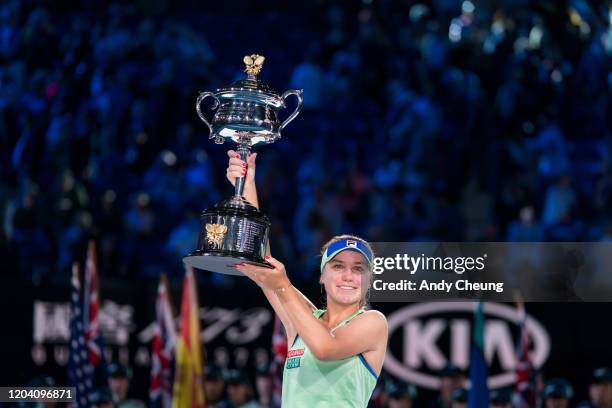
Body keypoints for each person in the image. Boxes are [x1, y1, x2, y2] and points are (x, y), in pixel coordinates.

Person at [226, 150, 388, 407]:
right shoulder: (302, 319)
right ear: (322, 276)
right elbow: (261, 260)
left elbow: (325, 348)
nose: (348, 275)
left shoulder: (373, 322)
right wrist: (247, 184)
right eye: (338, 266)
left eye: (358, 269)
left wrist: (283, 285)